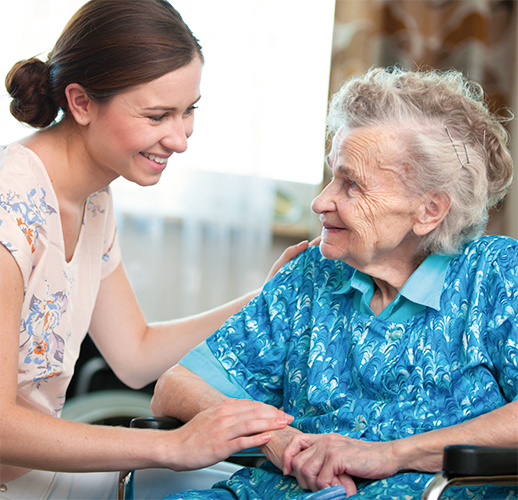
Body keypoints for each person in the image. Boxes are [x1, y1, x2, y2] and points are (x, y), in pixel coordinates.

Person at [151, 67, 518, 500]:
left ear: (429, 211)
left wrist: (391, 454)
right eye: (332, 176)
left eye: (352, 184)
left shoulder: (495, 276)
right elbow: (173, 388)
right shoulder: (313, 272)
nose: (321, 201)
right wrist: (276, 440)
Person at [0, 0, 309, 498]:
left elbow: (135, 354)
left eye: (189, 111)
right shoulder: (10, 206)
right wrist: (173, 446)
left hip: (36, 481)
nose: (180, 138)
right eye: (157, 115)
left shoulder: (93, 197)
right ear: (81, 103)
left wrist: (268, 295)